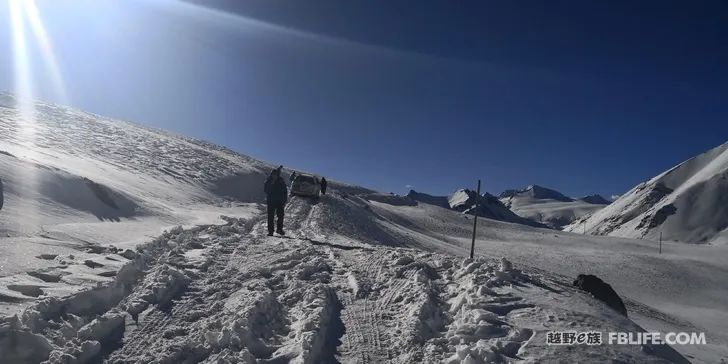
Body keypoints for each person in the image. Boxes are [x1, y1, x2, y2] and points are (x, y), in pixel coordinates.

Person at [264, 166, 287, 236]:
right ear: (271, 175)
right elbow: (266, 190)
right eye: (273, 175)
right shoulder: (268, 181)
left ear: (277, 175)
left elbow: (285, 191)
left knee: (281, 216)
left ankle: (279, 229)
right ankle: (270, 231)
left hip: (279, 201)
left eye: (275, 175)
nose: (274, 176)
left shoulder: (281, 180)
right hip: (271, 201)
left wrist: (284, 200)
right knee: (270, 216)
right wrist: (271, 184)